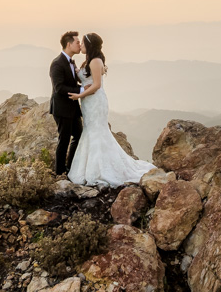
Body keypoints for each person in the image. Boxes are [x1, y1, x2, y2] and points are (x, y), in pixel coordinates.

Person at [66, 32, 157, 186]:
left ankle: (100, 169)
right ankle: (91, 166)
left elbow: (96, 85)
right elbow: (88, 81)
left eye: (82, 43)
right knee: (91, 131)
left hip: (95, 102)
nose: (80, 45)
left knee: (97, 132)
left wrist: (78, 96)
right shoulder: (89, 61)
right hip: (89, 102)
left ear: (89, 45)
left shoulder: (95, 61)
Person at [49, 31, 83, 176]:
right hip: (62, 109)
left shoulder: (72, 61)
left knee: (78, 135)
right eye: (77, 42)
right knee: (63, 140)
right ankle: (60, 172)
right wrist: (81, 89)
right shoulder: (57, 63)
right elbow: (59, 88)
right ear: (68, 44)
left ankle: (70, 166)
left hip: (73, 108)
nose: (80, 45)